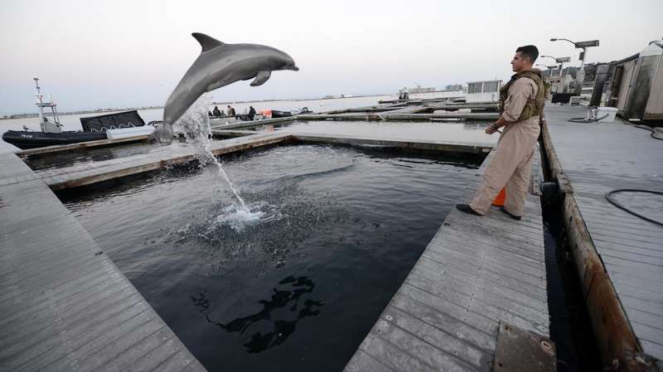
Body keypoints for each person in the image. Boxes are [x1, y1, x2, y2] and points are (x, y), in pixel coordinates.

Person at [456, 45, 545, 220]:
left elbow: (512, 114)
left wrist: (494, 127)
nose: (512, 61)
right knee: (520, 172)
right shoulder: (536, 80)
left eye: (516, 58)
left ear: (526, 60)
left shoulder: (522, 83)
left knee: (497, 169)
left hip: (519, 130)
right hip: (532, 128)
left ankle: (479, 207)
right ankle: (514, 209)